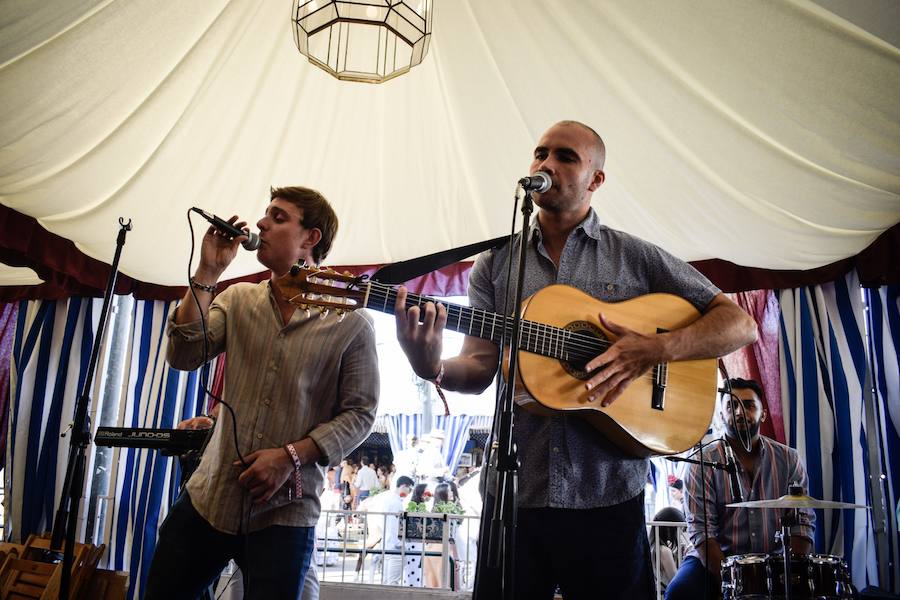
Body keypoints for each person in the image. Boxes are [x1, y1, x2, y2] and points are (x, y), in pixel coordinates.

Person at [394, 120, 758, 600]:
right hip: (517, 496)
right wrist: (432, 367)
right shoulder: (496, 263)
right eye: (540, 153)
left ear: (596, 180)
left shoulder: (635, 257)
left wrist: (654, 348)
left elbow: (739, 324)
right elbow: (479, 366)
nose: (546, 163)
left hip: (608, 495)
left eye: (565, 156)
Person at [144, 186, 379, 600]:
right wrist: (208, 272)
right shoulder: (236, 298)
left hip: (285, 515)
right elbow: (183, 354)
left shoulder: (351, 323)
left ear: (311, 238)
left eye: (278, 217)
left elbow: (360, 415)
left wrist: (291, 457)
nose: (262, 224)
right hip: (208, 499)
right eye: (265, 215)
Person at [665, 378, 815, 600]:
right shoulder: (702, 462)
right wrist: (735, 582)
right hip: (712, 560)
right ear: (721, 415)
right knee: (680, 593)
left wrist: (785, 573)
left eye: (748, 405)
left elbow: (801, 525)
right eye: (731, 406)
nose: (739, 412)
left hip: (772, 559)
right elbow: (702, 533)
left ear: (763, 414)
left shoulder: (789, 459)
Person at [648, 506, 687, 595]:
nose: (681, 533)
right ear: (670, 529)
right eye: (680, 529)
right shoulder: (664, 551)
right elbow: (676, 581)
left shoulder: (653, 547)